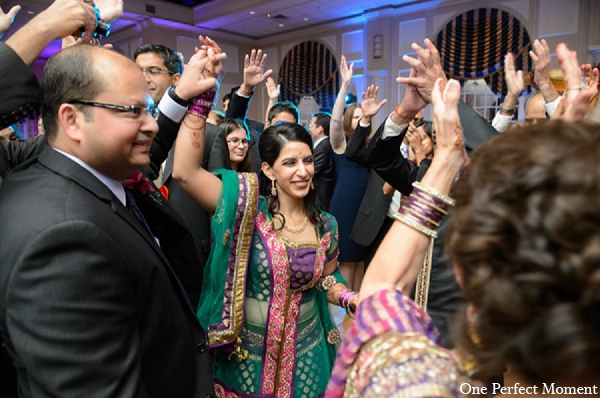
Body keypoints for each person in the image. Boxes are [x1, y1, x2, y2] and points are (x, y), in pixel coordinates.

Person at [327, 42, 600, 398]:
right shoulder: (422, 174)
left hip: (465, 333)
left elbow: (381, 290)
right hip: (429, 317)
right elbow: (379, 155)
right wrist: (405, 114)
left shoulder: (499, 200)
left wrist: (446, 149)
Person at [0, 44, 215, 398]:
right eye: (133, 111)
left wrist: (182, 94)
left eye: (148, 109)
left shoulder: (81, 168)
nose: (150, 124)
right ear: (71, 119)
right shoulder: (66, 238)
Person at [172, 46, 358, 395]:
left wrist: (350, 299)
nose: (302, 171)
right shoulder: (246, 210)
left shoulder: (326, 224)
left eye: (307, 161)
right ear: (269, 170)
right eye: (290, 163)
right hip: (246, 359)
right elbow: (184, 172)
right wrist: (199, 100)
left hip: (307, 357)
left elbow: (327, 277)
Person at [309, 111, 336, 211]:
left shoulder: (323, 148)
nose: (309, 128)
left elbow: (311, 170)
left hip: (321, 197)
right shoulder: (323, 144)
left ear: (319, 129)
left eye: (311, 125)